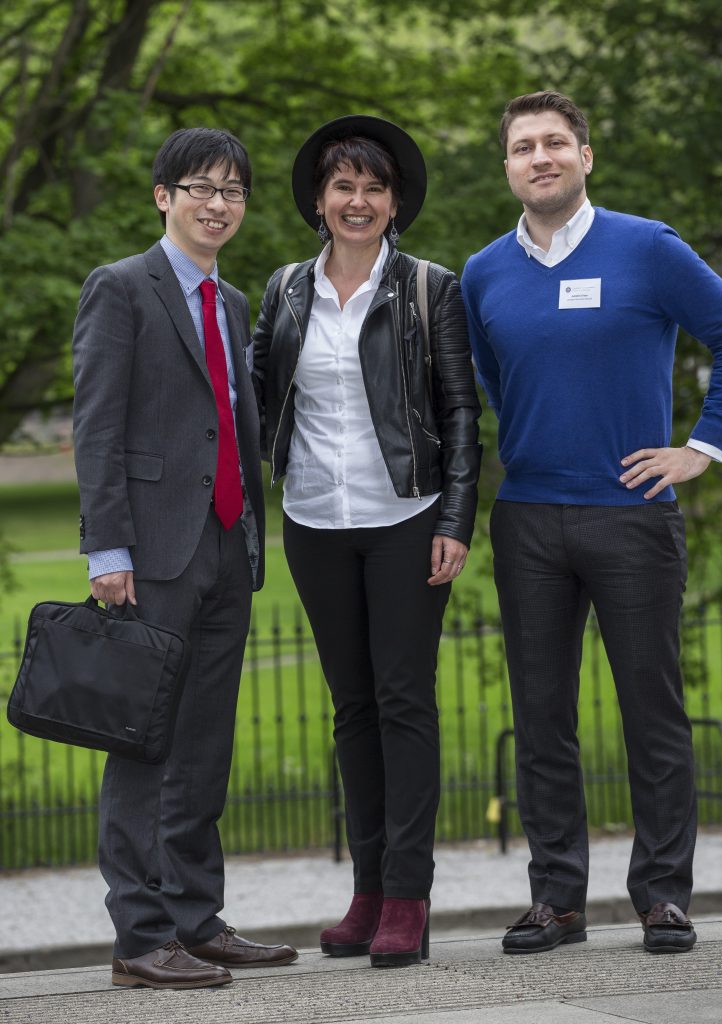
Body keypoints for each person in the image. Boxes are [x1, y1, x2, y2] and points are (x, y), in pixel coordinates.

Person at [461, 91, 722, 956]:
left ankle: (660, 897)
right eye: (523, 146)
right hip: (526, 520)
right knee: (541, 715)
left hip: (632, 514)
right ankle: (555, 901)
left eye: (555, 142)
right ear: (507, 165)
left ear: (585, 156)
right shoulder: (483, 272)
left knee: (651, 713)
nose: (539, 156)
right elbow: (489, 381)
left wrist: (700, 447)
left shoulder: (647, 247)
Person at [252, 115, 481, 967]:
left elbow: (461, 411)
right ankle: (365, 890)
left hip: (405, 518)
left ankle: (407, 898)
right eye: (343, 186)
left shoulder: (429, 287)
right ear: (319, 199)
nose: (358, 200)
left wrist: (455, 519)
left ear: (393, 204)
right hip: (313, 519)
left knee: (402, 702)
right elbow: (256, 396)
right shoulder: (283, 290)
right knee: (350, 709)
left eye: (373, 188)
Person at [72, 127, 297, 989]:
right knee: (142, 747)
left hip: (226, 546)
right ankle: (139, 939)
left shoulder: (233, 303)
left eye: (234, 191)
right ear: (164, 196)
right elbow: (96, 426)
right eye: (201, 187)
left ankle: (195, 920)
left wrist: (247, 537)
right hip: (150, 554)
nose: (218, 204)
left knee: (204, 746)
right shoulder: (121, 288)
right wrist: (107, 549)